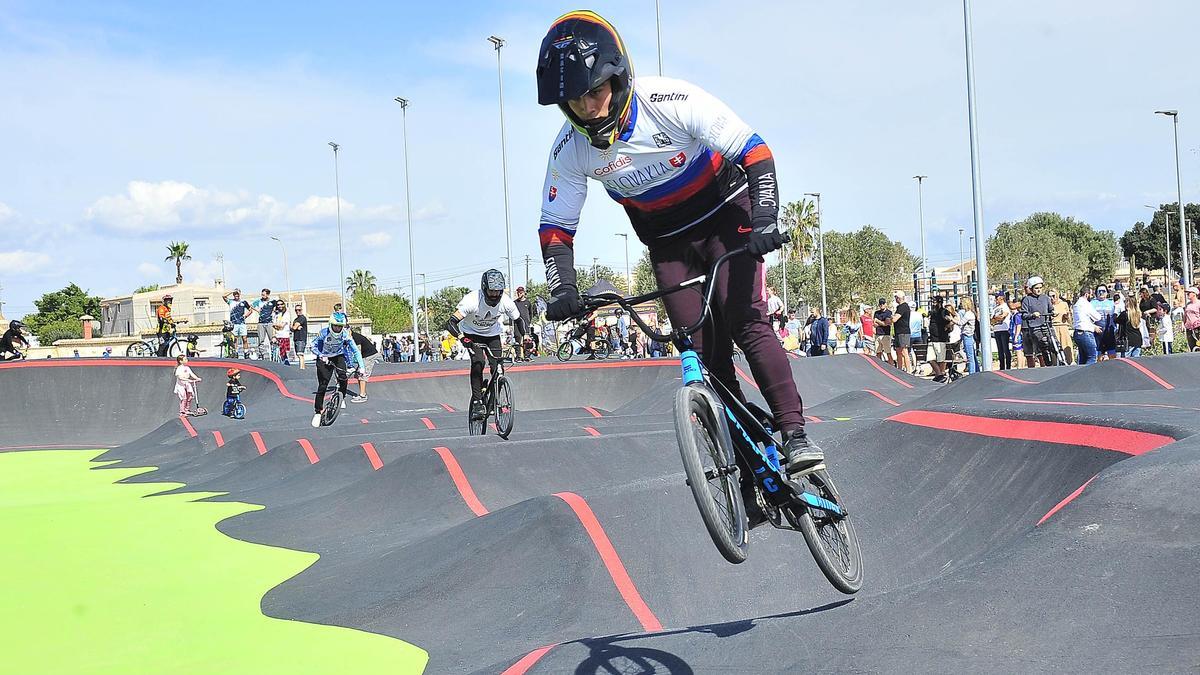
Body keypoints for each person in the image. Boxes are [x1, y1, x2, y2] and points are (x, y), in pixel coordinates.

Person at [534, 11, 820, 469]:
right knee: (703, 353)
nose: (587, 107)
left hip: (728, 210)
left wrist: (765, 220)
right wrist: (563, 288)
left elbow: (756, 151)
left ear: (618, 76)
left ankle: (795, 433)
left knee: (745, 319)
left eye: (595, 91)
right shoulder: (570, 150)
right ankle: (748, 458)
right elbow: (555, 228)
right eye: (574, 100)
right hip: (667, 240)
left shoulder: (669, 99)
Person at [447, 269, 524, 420]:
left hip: (492, 335)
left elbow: (519, 320)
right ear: (484, 288)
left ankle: (494, 399)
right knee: (478, 362)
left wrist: (526, 337)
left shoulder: (506, 302)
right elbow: (451, 322)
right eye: (491, 291)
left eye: (498, 291)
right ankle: (477, 401)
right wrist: (462, 338)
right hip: (471, 334)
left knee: (498, 367)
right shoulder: (471, 300)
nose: (495, 295)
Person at [309, 314, 361, 427]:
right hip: (324, 357)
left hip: (338, 356)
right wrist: (320, 355)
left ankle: (341, 395)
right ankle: (318, 412)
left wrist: (361, 367)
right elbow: (312, 346)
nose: (338, 328)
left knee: (343, 375)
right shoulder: (323, 333)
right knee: (323, 385)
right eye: (335, 326)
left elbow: (355, 350)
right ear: (330, 325)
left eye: (340, 326)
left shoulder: (345, 335)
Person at [1020, 276, 1056, 367]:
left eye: (1040, 288)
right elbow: (1024, 315)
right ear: (1031, 289)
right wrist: (1032, 315)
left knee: (1054, 343)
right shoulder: (1027, 300)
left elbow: (1051, 309)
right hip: (1035, 327)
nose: (1039, 290)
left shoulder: (1046, 298)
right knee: (1043, 345)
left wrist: (1053, 312)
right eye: (1036, 288)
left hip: (1047, 325)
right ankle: (1048, 365)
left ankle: (1060, 359)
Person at [348, 328, 381, 402]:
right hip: (364, 356)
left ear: (349, 330)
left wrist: (355, 364)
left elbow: (357, 353)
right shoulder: (349, 338)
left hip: (369, 355)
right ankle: (362, 393)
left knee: (362, 374)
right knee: (358, 374)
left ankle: (363, 395)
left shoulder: (355, 338)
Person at [1072, 287, 1102, 365]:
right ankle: (1089, 376)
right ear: (1086, 294)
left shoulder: (1076, 304)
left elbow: (1082, 320)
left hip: (1077, 333)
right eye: (1091, 295)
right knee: (1092, 357)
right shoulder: (1086, 304)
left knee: (1082, 358)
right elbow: (1097, 317)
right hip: (1086, 333)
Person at [927, 295, 952, 382]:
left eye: (934, 302)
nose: (933, 304)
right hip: (932, 338)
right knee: (930, 358)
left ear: (939, 302)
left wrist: (947, 327)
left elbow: (950, 321)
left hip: (941, 338)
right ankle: (939, 374)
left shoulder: (944, 311)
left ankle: (941, 374)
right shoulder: (932, 312)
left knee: (941, 359)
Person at [222, 289, 253, 357]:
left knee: (244, 338)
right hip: (234, 323)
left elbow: (250, 310)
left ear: (240, 294)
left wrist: (245, 316)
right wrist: (231, 291)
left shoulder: (244, 302)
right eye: (235, 294)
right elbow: (223, 296)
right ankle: (235, 352)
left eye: (237, 294)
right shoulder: (230, 301)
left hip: (242, 323)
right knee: (235, 339)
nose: (236, 295)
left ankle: (246, 352)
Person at [1090, 284, 1116, 360]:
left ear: (1107, 292)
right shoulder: (1092, 303)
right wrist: (1093, 327)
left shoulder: (1111, 303)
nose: (1101, 293)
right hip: (1098, 332)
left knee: (1112, 353)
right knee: (1098, 353)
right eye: (1099, 291)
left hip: (1109, 331)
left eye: (1103, 291)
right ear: (1096, 293)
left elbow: (1115, 315)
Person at [1049, 289, 1074, 365]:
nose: (1052, 298)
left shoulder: (1063, 304)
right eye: (1049, 296)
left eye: (1053, 296)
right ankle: (1055, 364)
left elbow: (1069, 319)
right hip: (1053, 327)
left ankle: (1069, 362)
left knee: (1066, 346)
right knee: (1054, 348)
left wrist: (1067, 316)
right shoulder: (1049, 305)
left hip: (1063, 327)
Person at [249, 289, 276, 359]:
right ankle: (264, 355)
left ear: (267, 295)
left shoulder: (272, 302)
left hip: (270, 322)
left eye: (264, 295)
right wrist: (257, 310)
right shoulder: (259, 301)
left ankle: (274, 355)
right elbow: (251, 305)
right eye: (262, 294)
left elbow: (277, 308)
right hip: (261, 323)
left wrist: (273, 311)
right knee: (261, 341)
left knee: (272, 340)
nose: (262, 296)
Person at [990, 292, 1012, 370]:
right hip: (997, 330)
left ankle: (1008, 366)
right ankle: (1002, 366)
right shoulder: (995, 308)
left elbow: (1003, 316)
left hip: (1004, 329)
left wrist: (996, 318)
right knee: (1000, 350)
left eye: (997, 298)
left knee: (1005, 348)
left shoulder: (1005, 306)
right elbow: (991, 320)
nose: (996, 300)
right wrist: (996, 319)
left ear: (1001, 298)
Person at [512, 286, 534, 361]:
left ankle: (527, 356)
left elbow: (531, 313)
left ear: (524, 293)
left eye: (521, 292)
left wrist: (529, 321)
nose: (519, 294)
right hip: (517, 324)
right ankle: (518, 356)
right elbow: (511, 314)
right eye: (518, 293)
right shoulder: (514, 303)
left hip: (526, 324)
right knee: (518, 339)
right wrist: (510, 325)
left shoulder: (528, 302)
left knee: (527, 340)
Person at [958, 296, 979, 374]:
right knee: (972, 355)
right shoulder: (970, 313)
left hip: (968, 336)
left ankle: (972, 373)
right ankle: (977, 371)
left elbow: (960, 323)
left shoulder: (968, 314)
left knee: (970, 357)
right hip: (969, 336)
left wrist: (952, 319)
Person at [892, 291, 912, 372]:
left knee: (904, 352)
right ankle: (899, 370)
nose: (895, 299)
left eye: (896, 297)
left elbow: (894, 319)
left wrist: (890, 317)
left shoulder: (903, 307)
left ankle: (909, 370)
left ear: (899, 297)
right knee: (898, 351)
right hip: (898, 332)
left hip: (903, 332)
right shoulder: (899, 307)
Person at [873, 298, 894, 365]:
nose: (881, 305)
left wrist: (878, 321)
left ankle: (892, 367)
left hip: (885, 335)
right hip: (878, 334)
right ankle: (879, 367)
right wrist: (878, 322)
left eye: (883, 303)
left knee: (888, 352)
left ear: (885, 304)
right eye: (880, 304)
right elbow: (875, 324)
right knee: (878, 353)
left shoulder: (889, 313)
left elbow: (886, 324)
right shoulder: (876, 313)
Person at [272, 301, 292, 365]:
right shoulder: (276, 314)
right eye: (278, 305)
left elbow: (281, 326)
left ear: (284, 305)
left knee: (284, 355)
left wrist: (276, 325)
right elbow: (274, 326)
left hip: (284, 336)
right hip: (277, 336)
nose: (280, 306)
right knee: (277, 355)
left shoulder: (286, 314)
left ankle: (286, 367)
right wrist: (274, 335)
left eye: (281, 304)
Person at [291, 305, 309, 369]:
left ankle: (302, 368)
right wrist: (294, 327)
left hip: (301, 338)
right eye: (296, 310)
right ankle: (302, 367)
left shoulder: (302, 318)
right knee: (298, 354)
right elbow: (292, 328)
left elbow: (294, 327)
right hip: (296, 338)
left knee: (300, 354)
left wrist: (295, 327)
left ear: (302, 310)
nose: (297, 311)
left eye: (299, 310)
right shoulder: (295, 319)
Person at [1183, 286, 1200, 351]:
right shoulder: (1188, 304)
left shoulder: (1199, 303)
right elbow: (1185, 315)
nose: (1187, 294)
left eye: (1189, 293)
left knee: (1198, 345)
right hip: (1189, 328)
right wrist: (1183, 323)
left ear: (1194, 294)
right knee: (1191, 345)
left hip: (1197, 328)